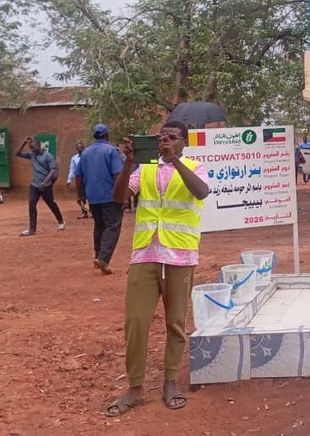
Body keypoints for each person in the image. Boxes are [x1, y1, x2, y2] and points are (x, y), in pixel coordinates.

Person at [105, 120, 210, 417]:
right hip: (146, 253)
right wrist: (128, 162)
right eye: (161, 137)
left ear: (183, 142)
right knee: (136, 321)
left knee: (175, 322)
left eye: (172, 138)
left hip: (180, 255)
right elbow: (119, 197)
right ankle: (135, 387)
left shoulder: (194, 165)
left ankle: (170, 382)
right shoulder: (145, 168)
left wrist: (175, 161)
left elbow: (201, 192)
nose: (165, 142)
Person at [75, 124, 124, 275]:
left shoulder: (85, 152)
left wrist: (80, 195)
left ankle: (99, 257)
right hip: (110, 195)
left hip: (93, 196)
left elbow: (79, 176)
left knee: (99, 226)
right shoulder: (111, 151)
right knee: (112, 226)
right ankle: (103, 258)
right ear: (106, 135)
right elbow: (117, 175)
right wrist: (122, 195)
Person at [15, 137, 65, 236]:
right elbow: (17, 154)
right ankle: (32, 229)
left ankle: (60, 221)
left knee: (51, 203)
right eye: (31, 148)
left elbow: (52, 170)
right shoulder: (32, 155)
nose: (32, 150)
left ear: (39, 146)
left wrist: (45, 182)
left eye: (33, 148)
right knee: (31, 204)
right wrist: (23, 143)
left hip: (45, 186)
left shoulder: (48, 156)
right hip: (35, 185)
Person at [66, 142, 89, 219]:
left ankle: (92, 212)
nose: (81, 149)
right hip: (79, 179)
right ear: (76, 149)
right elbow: (72, 169)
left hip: (88, 178)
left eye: (82, 147)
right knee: (82, 196)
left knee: (90, 195)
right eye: (79, 147)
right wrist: (69, 180)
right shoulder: (74, 158)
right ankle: (84, 212)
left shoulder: (88, 157)